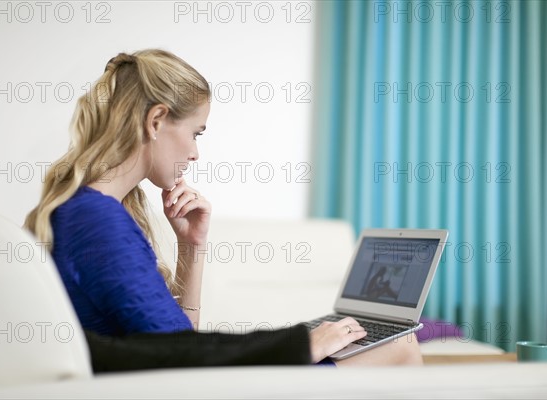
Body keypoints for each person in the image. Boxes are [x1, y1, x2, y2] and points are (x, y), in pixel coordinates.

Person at [24, 49, 422, 371]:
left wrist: (191, 247)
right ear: (157, 120)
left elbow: (176, 344)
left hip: (172, 381)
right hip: (181, 388)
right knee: (402, 347)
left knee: (388, 343)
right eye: (196, 133)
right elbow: (178, 356)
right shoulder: (98, 219)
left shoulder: (90, 210)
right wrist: (300, 343)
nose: (196, 153)